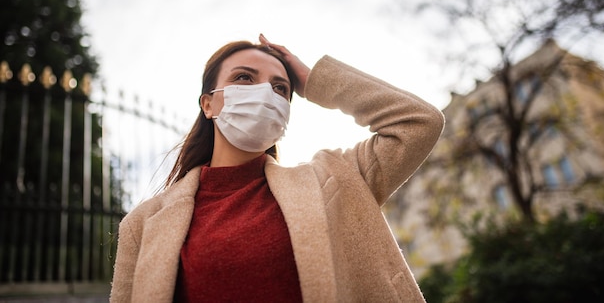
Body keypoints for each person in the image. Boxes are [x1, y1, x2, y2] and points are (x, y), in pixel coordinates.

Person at [110, 34, 445, 303]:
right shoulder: (142, 225)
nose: (264, 94)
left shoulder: (333, 179)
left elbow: (418, 122)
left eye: (279, 88)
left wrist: (312, 80)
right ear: (208, 104)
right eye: (244, 77)